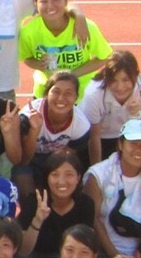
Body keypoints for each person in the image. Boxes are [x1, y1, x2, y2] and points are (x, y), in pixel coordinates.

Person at [84, 120, 141, 258]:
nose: (139, 150)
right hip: (104, 250)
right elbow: (94, 220)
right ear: (121, 144)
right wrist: (115, 255)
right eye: (133, 143)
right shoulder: (98, 175)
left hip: (140, 254)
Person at [17, 0, 110, 98]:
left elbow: (104, 57)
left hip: (82, 93)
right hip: (45, 92)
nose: (50, 6)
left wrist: (71, 74)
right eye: (44, 1)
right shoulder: (29, 31)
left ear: (65, 0)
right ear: (36, 4)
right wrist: (39, 64)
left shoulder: (85, 27)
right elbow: (26, 57)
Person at [12, 70, 93, 206]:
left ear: (76, 97)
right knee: (25, 185)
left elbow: (68, 159)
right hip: (29, 158)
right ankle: (29, 219)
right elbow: (24, 160)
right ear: (45, 94)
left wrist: (55, 178)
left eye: (68, 93)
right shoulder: (28, 116)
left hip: (56, 159)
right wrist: (34, 130)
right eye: (56, 91)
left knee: (65, 186)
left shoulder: (81, 125)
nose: (61, 98)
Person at [81, 50, 141, 163]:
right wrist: (96, 170)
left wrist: (135, 115)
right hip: (99, 138)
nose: (120, 87)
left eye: (125, 80)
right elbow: (94, 137)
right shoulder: (94, 93)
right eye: (114, 80)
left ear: (136, 75)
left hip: (128, 137)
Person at [23, 149, 97, 258]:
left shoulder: (86, 204)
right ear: (47, 178)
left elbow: (87, 246)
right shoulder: (33, 202)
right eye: (55, 174)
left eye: (69, 175)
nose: (61, 181)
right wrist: (37, 219)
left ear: (78, 178)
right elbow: (23, 251)